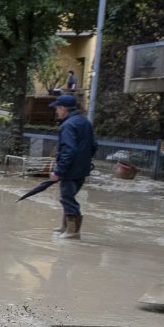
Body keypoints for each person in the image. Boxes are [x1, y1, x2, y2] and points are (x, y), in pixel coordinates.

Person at [48, 94, 97, 239]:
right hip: (82, 168)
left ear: (63, 109)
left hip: (70, 169)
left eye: (57, 108)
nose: (56, 111)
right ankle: (65, 227)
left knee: (67, 197)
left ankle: (72, 231)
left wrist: (58, 170)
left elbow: (68, 150)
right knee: (67, 196)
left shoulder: (68, 125)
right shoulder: (84, 122)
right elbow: (94, 145)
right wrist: (84, 160)